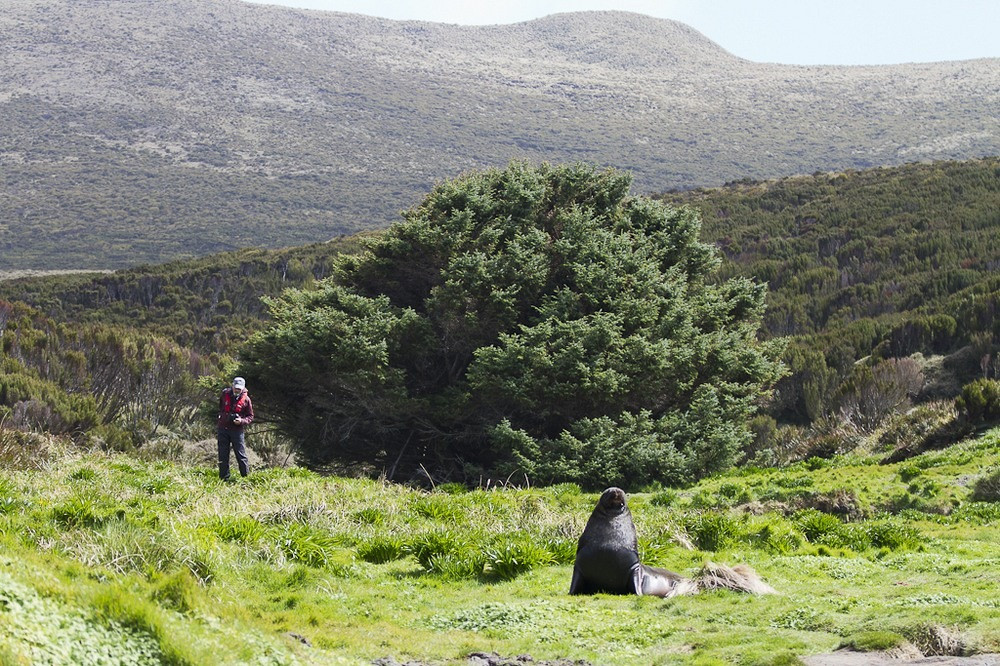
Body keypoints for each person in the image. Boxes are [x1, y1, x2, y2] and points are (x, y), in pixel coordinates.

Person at [217, 376, 253, 481]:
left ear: (243, 388)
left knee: (241, 455)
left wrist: (241, 421)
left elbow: (250, 416)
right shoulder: (224, 395)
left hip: (237, 431)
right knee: (222, 455)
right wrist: (222, 417)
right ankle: (224, 479)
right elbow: (220, 408)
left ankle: (246, 479)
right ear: (232, 386)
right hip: (223, 428)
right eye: (235, 387)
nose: (237, 390)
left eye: (239, 389)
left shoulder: (246, 399)